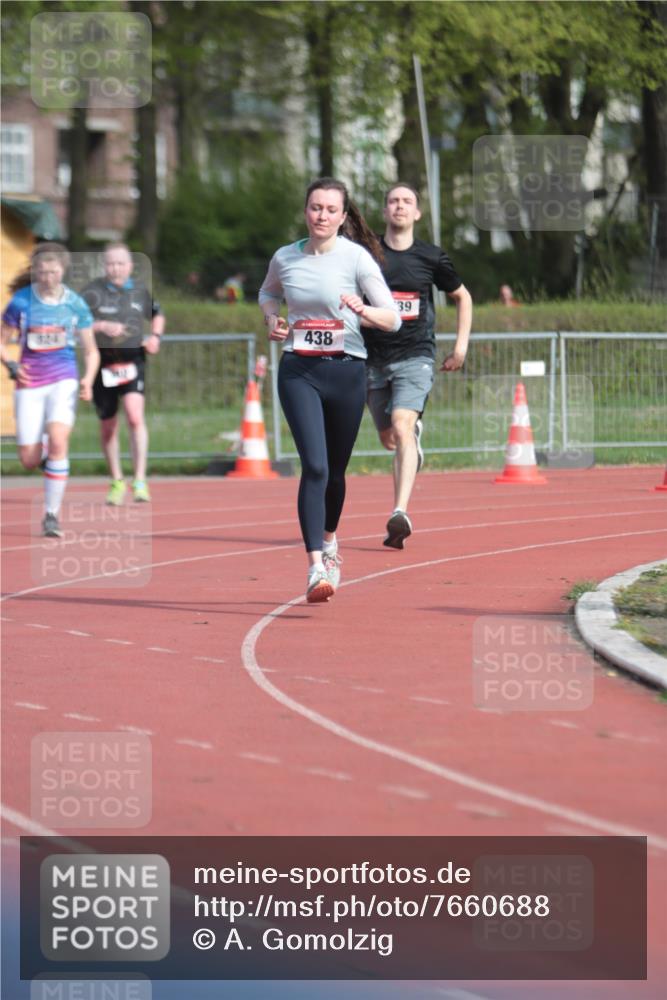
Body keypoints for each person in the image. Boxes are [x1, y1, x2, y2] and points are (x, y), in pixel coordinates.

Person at [259, 177, 401, 603]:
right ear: (306, 211)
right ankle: (315, 565)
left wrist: (364, 311)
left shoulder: (356, 259)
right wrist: (272, 319)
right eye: (315, 208)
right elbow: (268, 291)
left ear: (343, 217)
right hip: (299, 370)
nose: (321, 216)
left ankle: (331, 541)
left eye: (330, 210)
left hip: (346, 372)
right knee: (315, 467)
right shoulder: (285, 257)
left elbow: (392, 317)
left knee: (336, 472)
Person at [363, 183, 473, 549]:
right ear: (385, 211)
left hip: (415, 356)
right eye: (393, 201)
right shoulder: (367, 254)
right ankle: (412, 444)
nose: (399, 206)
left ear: (417, 213)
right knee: (388, 437)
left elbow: (463, 297)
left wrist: (460, 347)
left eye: (407, 201)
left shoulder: (431, 257)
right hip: (373, 359)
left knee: (402, 423)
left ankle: (400, 512)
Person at [0, 242, 99, 537]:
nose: (47, 277)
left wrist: (88, 380)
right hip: (29, 381)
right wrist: (10, 365)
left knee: (59, 441)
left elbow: (91, 351)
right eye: (41, 271)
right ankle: (44, 448)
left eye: (53, 271)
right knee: (29, 460)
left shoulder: (75, 304)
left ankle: (51, 515)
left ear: (63, 270)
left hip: (63, 379)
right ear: (35, 271)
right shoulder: (20, 302)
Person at [82, 243, 165, 504]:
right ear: (104, 265)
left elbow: (157, 314)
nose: (115, 268)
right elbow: (77, 323)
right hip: (102, 366)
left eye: (120, 263)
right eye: (110, 263)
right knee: (108, 426)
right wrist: (101, 325)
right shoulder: (91, 292)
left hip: (133, 363)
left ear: (130, 266)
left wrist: (155, 337)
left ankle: (140, 479)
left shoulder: (140, 290)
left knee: (134, 416)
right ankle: (117, 480)